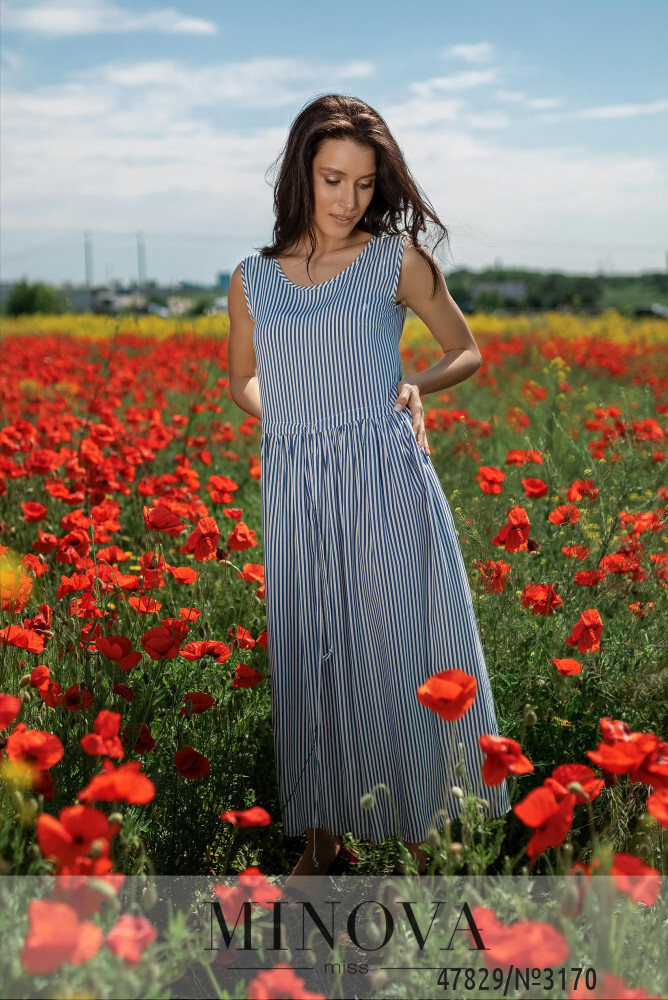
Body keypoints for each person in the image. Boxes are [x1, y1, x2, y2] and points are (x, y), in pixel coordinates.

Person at [228, 93, 510, 879]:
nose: (348, 199)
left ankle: (423, 841)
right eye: (332, 179)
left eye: (363, 183)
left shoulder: (397, 260)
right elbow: (242, 380)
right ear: (301, 174)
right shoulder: (252, 280)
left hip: (383, 477)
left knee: (396, 645)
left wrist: (414, 383)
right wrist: (289, 419)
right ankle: (323, 843)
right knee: (312, 653)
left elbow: (466, 350)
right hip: (297, 483)